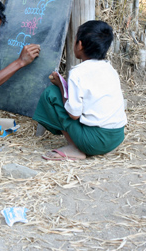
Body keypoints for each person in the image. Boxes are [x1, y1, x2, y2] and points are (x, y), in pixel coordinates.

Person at [33, 20, 127, 161]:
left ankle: (74, 148)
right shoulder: (110, 69)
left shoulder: (78, 73)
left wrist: (60, 85)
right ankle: (82, 144)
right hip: (116, 138)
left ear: (80, 45)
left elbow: (73, 114)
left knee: (50, 94)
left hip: (94, 142)